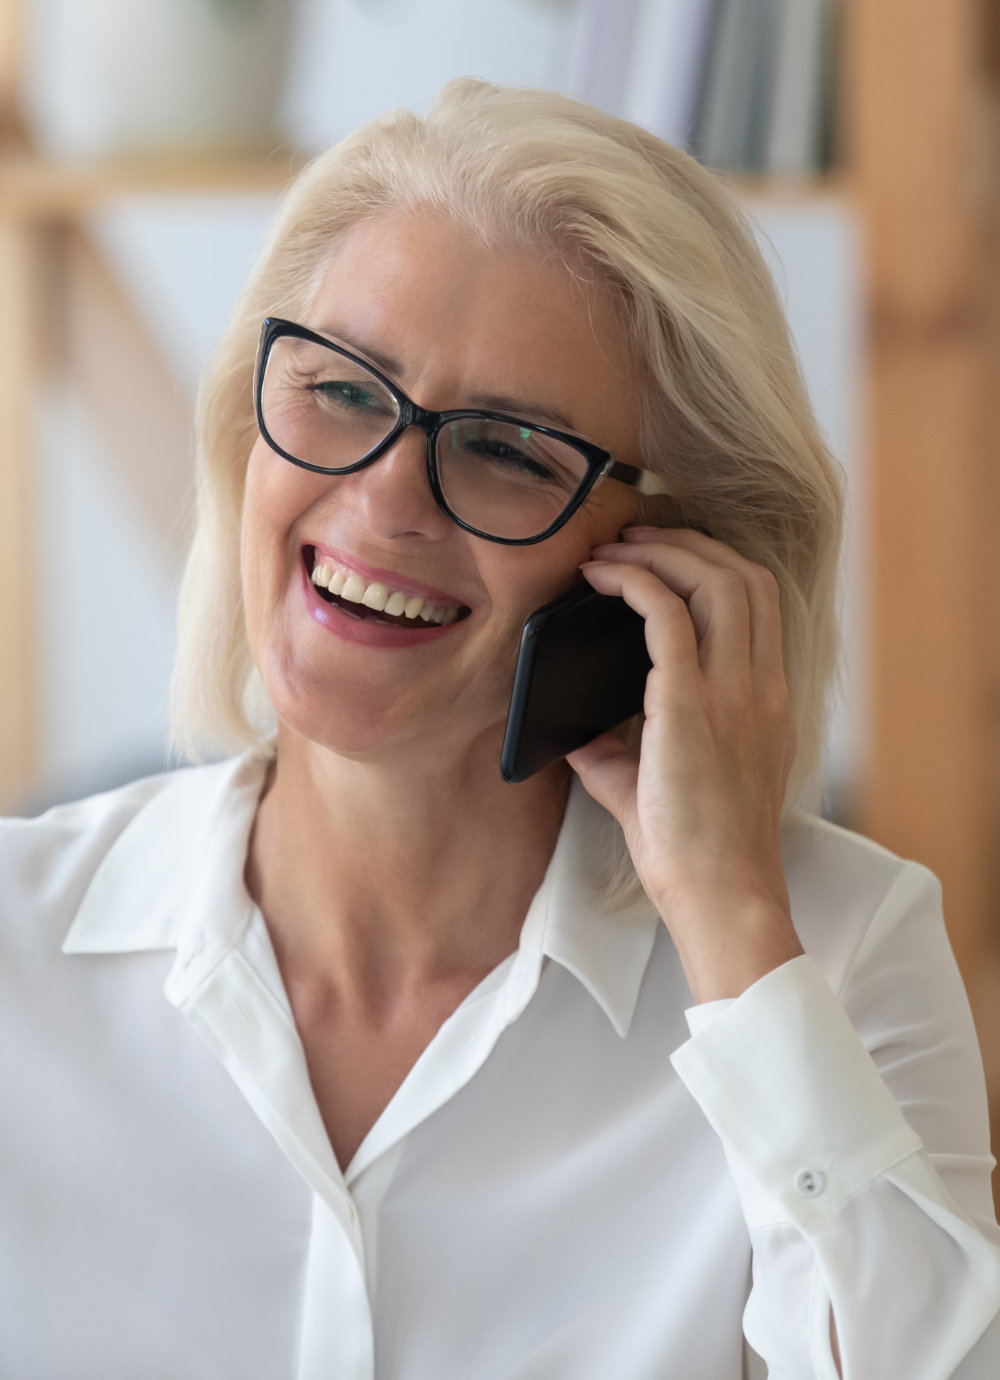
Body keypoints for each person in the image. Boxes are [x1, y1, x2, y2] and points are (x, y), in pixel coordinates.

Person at [2, 78, 999, 1380]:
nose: (382, 499)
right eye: (343, 391)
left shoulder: (836, 952)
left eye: (509, 451)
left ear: (664, 561)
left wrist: (733, 927)